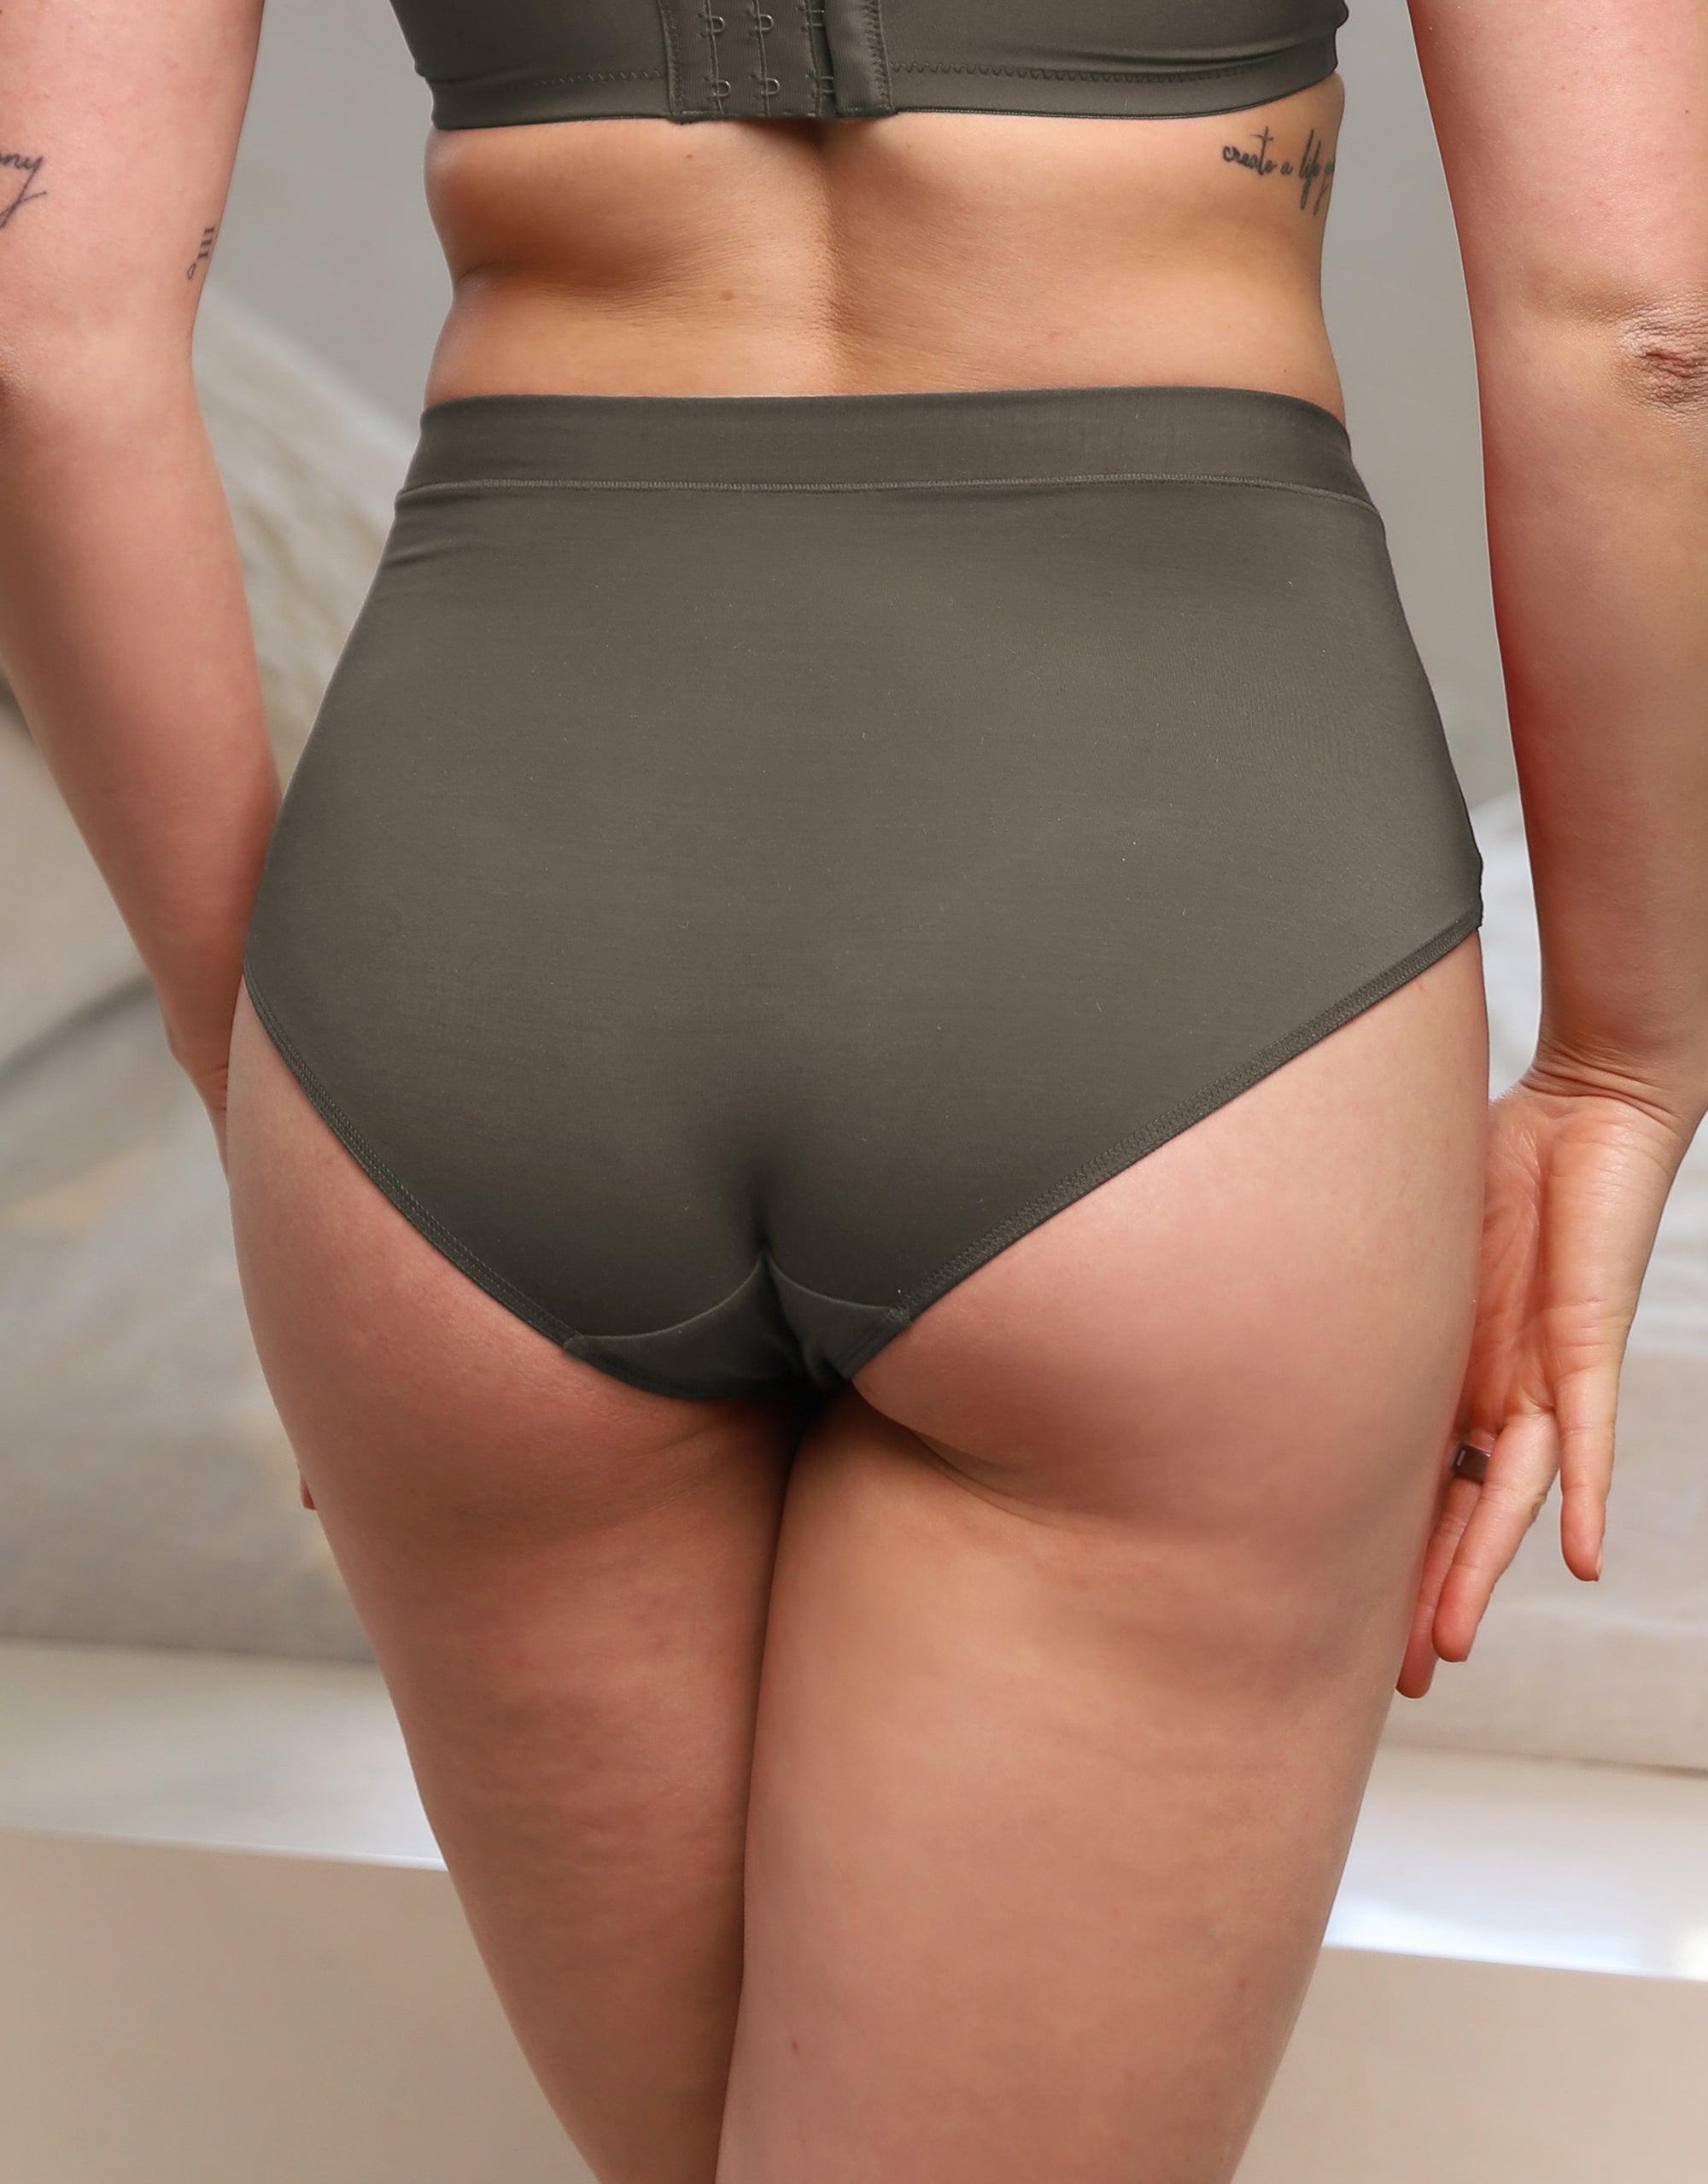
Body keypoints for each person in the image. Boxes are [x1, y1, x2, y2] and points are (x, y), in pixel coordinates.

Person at [1, 1, 1703, 2175]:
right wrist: (1620, 1056)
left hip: (477, 909)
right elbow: (1639, 332)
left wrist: (253, 1045)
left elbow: (41, 336)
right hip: (1162, 890)